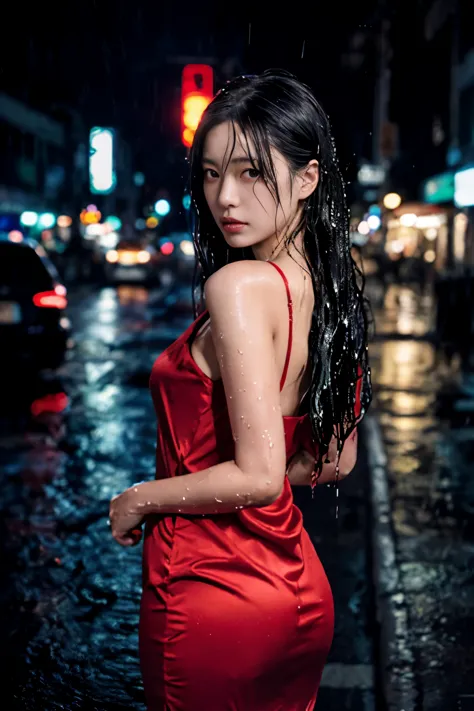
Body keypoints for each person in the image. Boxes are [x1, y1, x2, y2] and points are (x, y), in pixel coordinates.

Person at [109, 69, 372, 711]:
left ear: (307, 178)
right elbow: (333, 461)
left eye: (252, 171)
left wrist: (138, 499)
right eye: (209, 172)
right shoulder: (330, 289)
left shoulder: (240, 286)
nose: (225, 196)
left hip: (209, 591)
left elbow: (258, 477)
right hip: (299, 592)